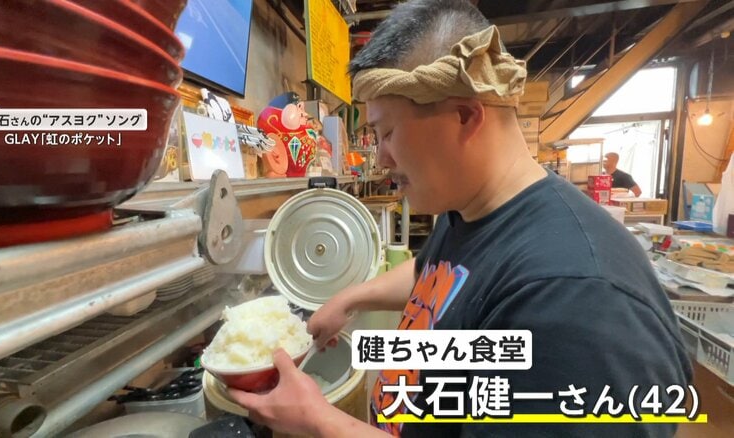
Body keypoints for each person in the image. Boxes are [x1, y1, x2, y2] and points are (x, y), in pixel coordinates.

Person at [228, 1, 691, 437]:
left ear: (466, 116)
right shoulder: (469, 207)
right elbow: (441, 274)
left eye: (387, 132)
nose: (382, 159)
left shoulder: (577, 303)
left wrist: (318, 422)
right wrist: (349, 300)